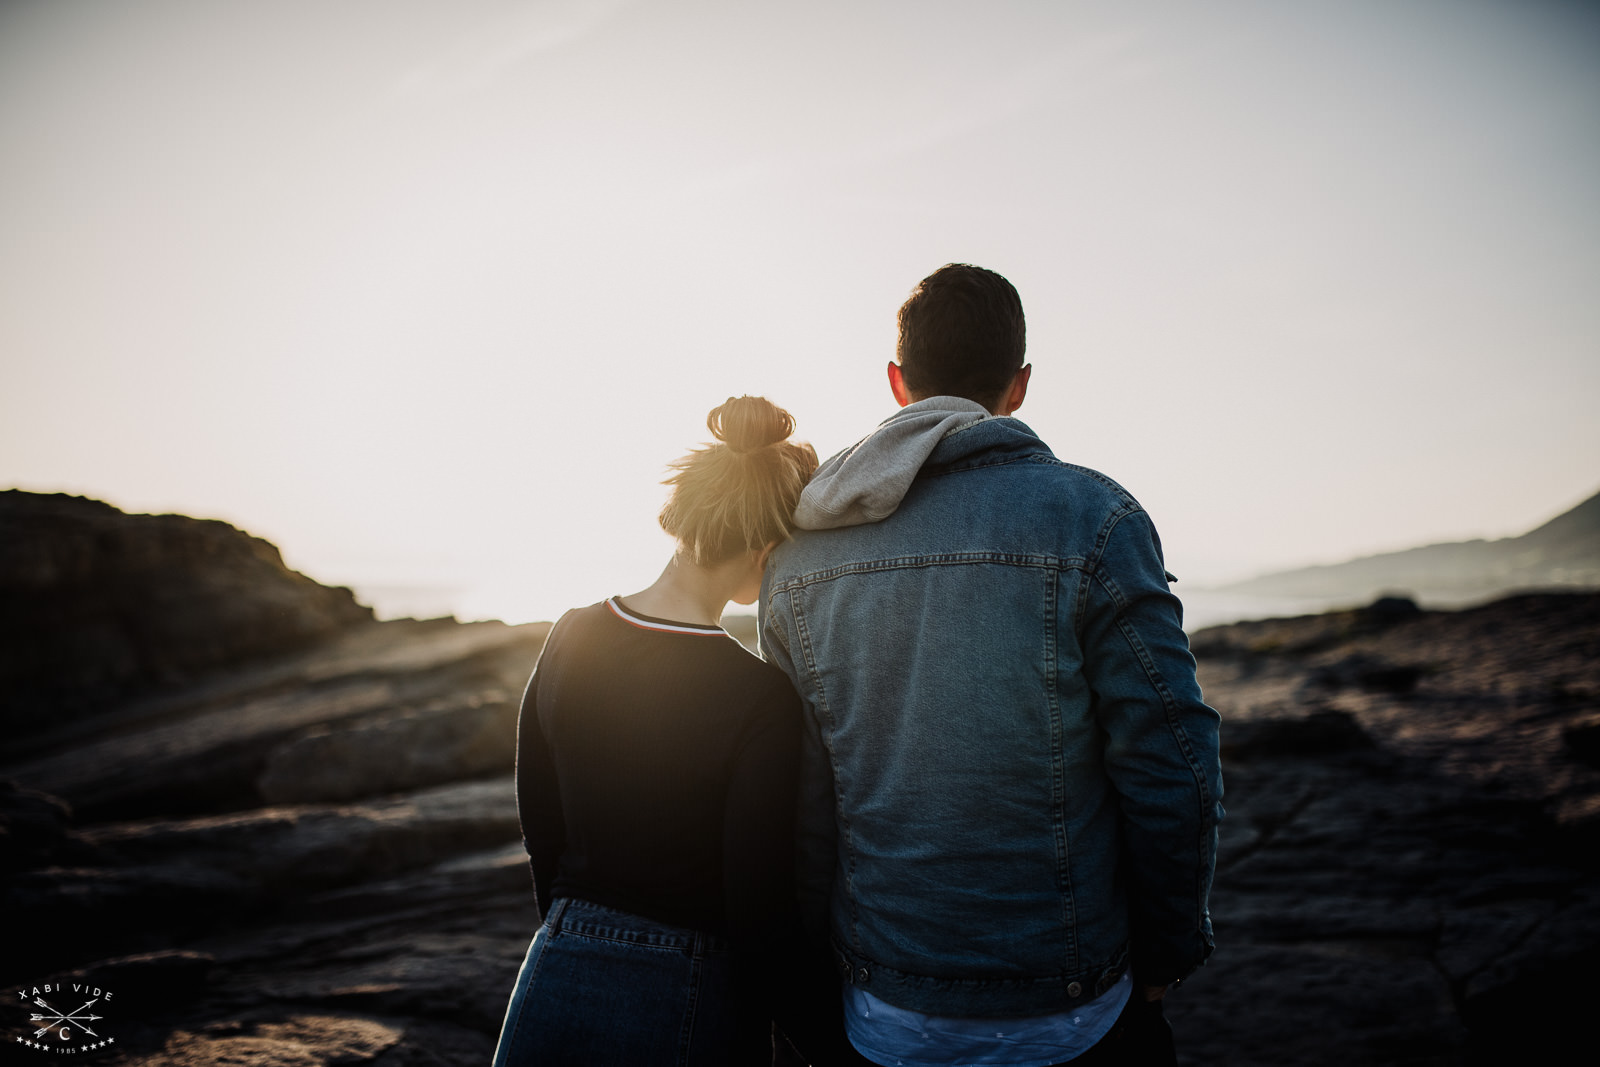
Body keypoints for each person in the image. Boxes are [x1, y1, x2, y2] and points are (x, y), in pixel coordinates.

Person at [759, 264, 1223, 1067]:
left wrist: (813, 993)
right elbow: (1173, 766)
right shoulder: (1094, 517)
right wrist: (1167, 954)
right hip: (1072, 1012)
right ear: (1020, 384)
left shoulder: (798, 559)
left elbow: (799, 805)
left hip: (884, 1013)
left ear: (899, 382)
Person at [493, 396, 819, 1066]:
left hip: (556, 958)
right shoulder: (760, 696)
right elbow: (759, 907)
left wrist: (574, 924)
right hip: (689, 982)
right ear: (766, 548)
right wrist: (823, 1040)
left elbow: (541, 823)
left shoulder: (571, 633)